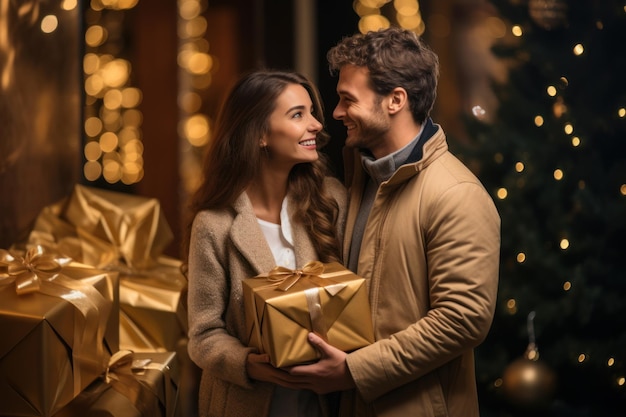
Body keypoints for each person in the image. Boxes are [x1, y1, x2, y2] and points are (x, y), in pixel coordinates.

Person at [288, 27, 501, 417]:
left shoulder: (456, 193)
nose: (335, 114)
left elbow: (463, 320)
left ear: (395, 100)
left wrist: (354, 371)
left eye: (347, 100)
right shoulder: (362, 175)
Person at [185, 70, 347, 417]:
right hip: (245, 405)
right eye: (298, 114)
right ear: (260, 134)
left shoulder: (332, 200)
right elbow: (203, 334)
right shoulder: (214, 225)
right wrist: (248, 364)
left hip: (325, 404)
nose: (317, 124)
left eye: (311, 112)